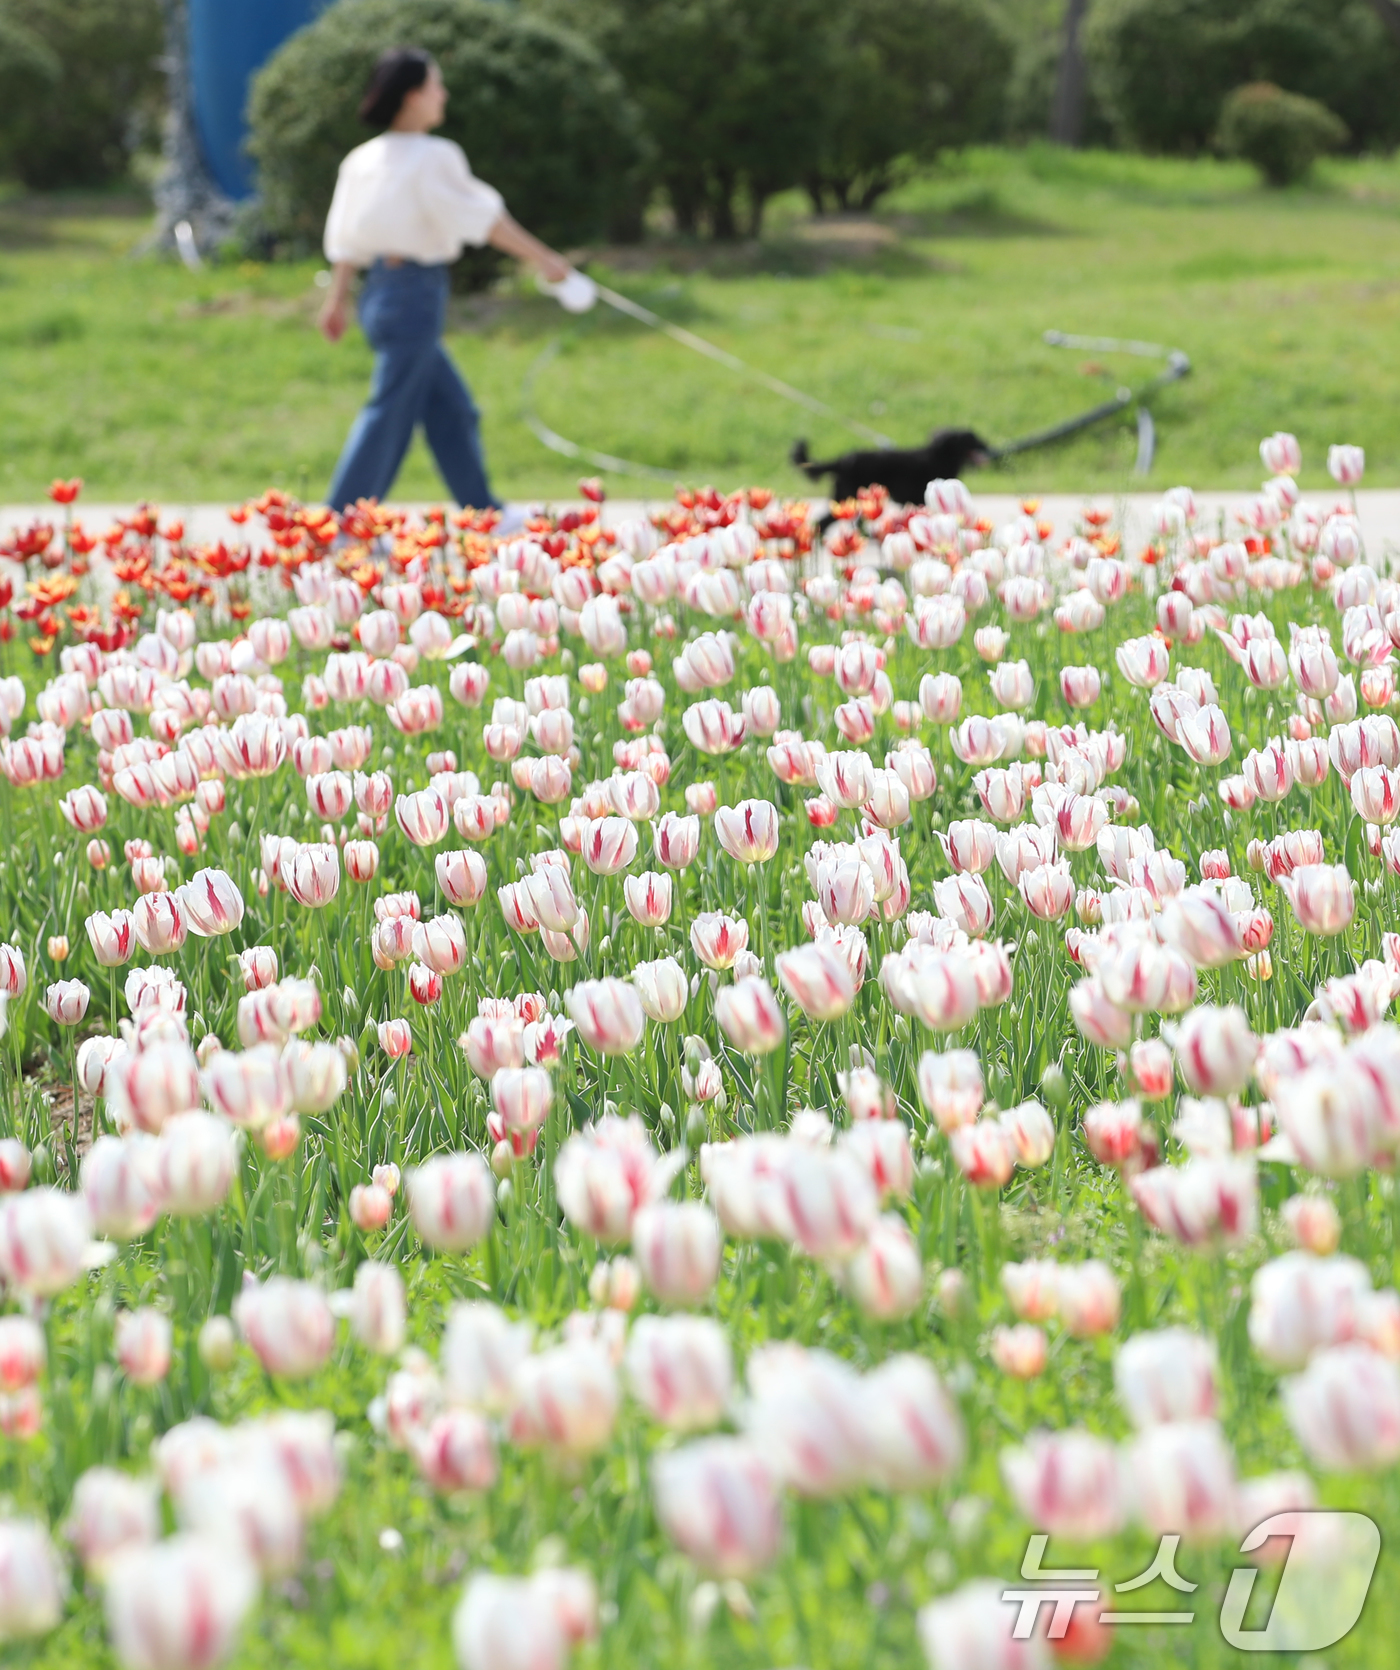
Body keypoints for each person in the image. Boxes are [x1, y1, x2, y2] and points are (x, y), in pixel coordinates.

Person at [319, 47, 594, 516]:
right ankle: (342, 521)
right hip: (414, 297)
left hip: (379, 295)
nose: (443, 95)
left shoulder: (361, 159)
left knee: (452, 409)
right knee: (390, 412)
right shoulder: (433, 156)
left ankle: (483, 513)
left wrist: (337, 302)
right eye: (436, 85)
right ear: (412, 95)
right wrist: (547, 261)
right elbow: (485, 220)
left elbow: (345, 242)